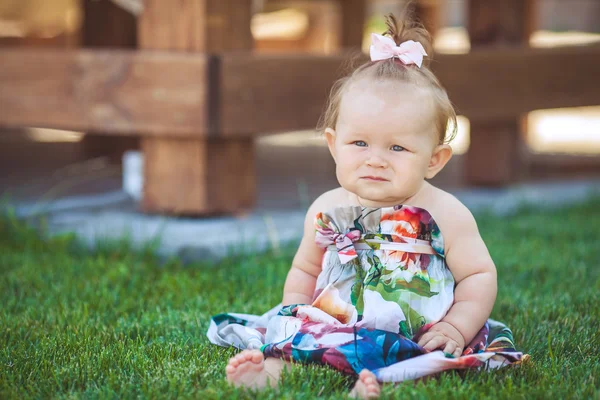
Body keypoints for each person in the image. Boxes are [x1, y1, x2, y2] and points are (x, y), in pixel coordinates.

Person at [207, 11, 525, 399]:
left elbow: (478, 275)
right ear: (332, 144)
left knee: (430, 358)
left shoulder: (447, 213)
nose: (375, 159)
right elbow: (305, 268)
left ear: (434, 160)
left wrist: (457, 326)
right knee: (304, 345)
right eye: (360, 143)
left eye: (397, 147)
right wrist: (291, 315)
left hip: (415, 331)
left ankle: (382, 382)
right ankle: (271, 369)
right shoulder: (327, 207)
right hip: (335, 324)